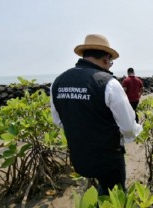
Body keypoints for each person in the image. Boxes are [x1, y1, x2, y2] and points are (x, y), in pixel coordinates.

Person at [50, 34, 142, 197]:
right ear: (106, 59)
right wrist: (136, 130)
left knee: (102, 188)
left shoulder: (58, 82)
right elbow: (128, 128)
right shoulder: (108, 83)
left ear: (85, 55)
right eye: (110, 62)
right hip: (108, 158)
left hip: (79, 156)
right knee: (115, 195)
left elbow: (58, 121)